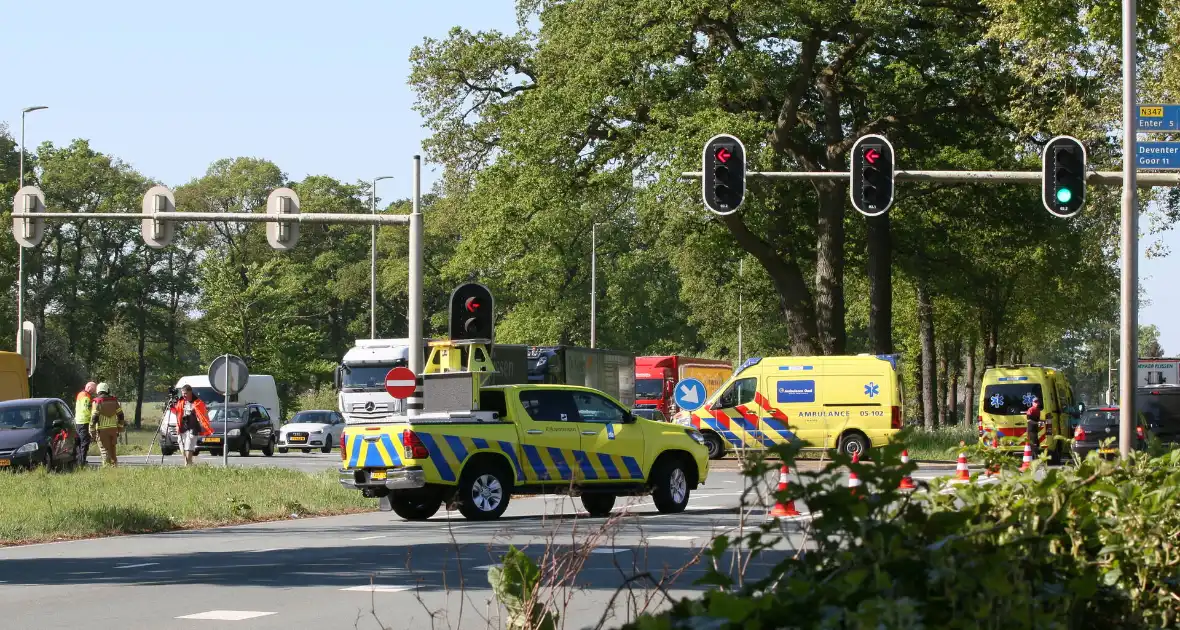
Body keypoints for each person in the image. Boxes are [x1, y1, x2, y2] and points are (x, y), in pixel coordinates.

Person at [170, 385, 212, 466]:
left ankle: (188, 464)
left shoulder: (197, 402)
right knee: (182, 446)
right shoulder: (181, 401)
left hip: (193, 427)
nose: (184, 395)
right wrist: (172, 407)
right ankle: (188, 462)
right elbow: (177, 412)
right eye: (182, 393)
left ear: (190, 392)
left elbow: (203, 415)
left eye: (185, 393)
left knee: (189, 446)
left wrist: (204, 426)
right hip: (182, 427)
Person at [90, 382, 126, 467]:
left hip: (102, 431)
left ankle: (106, 469)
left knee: (104, 451)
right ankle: (114, 469)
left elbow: (94, 418)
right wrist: (119, 428)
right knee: (113, 452)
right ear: (107, 390)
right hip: (113, 430)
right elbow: (121, 415)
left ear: (98, 391)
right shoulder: (114, 401)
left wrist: (92, 431)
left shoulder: (97, 402)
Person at [74, 381, 97, 466]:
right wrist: (92, 416)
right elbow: (85, 409)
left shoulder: (80, 394)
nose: (94, 392)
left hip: (78, 421)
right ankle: (82, 463)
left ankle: (80, 460)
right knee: (84, 442)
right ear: (89, 387)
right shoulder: (85, 396)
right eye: (93, 389)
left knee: (80, 442)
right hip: (84, 422)